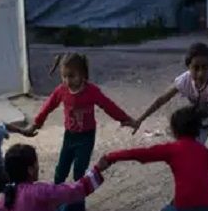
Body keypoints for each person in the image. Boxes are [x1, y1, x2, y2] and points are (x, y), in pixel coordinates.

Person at [132, 42, 208, 211]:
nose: (200, 73)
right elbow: (161, 99)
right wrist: (140, 119)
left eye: (205, 67)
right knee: (189, 157)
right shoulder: (184, 80)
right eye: (195, 68)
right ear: (188, 67)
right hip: (201, 121)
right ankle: (190, 197)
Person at [26, 53, 137, 184]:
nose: (68, 81)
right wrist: (36, 124)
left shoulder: (92, 91)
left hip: (86, 137)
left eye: (72, 76)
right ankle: (56, 192)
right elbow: (47, 107)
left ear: (83, 74)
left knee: (79, 170)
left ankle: (78, 194)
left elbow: (109, 106)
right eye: (64, 76)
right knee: (61, 169)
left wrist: (125, 119)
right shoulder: (62, 90)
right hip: (69, 136)